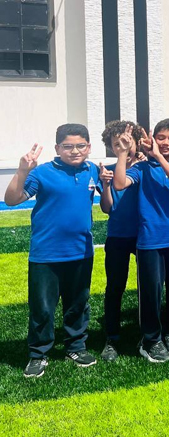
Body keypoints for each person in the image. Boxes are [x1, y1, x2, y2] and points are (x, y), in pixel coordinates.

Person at [4, 124, 102, 377]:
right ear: (57, 148)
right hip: (46, 254)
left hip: (81, 252)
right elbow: (12, 199)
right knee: (43, 308)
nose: (74, 151)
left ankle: (76, 347)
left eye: (80, 145)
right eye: (68, 146)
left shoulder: (92, 170)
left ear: (89, 147)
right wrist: (22, 171)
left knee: (78, 304)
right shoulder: (42, 172)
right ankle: (38, 353)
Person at [112, 120, 169, 362]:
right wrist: (123, 153)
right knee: (151, 292)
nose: (165, 142)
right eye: (161, 137)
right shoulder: (141, 168)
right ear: (152, 138)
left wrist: (158, 157)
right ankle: (151, 339)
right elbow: (119, 184)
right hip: (151, 241)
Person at [98, 120, 146, 362]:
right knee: (115, 286)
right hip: (117, 236)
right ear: (110, 147)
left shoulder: (145, 167)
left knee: (148, 286)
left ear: (137, 143)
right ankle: (112, 336)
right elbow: (107, 208)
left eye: (127, 142)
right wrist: (106, 184)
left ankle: (147, 331)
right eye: (116, 144)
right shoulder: (106, 170)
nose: (122, 147)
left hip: (144, 236)